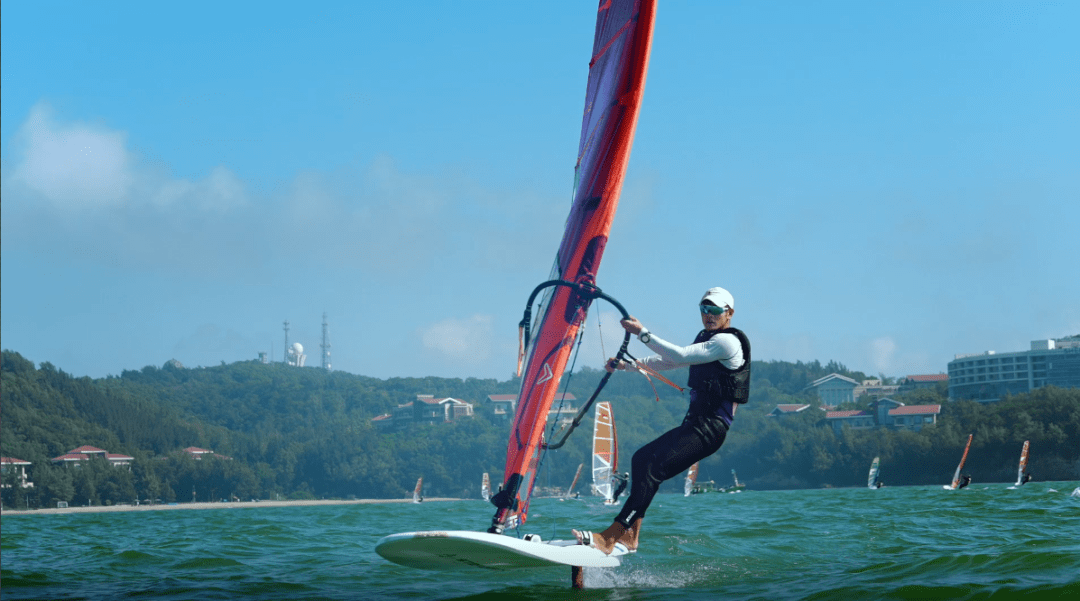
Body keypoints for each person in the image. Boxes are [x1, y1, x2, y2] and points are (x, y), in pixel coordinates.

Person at [573, 287, 750, 554]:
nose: (709, 315)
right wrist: (627, 366)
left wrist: (642, 333)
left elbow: (679, 356)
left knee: (651, 467)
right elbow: (670, 362)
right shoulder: (707, 340)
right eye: (704, 309)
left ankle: (610, 537)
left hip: (711, 429)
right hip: (695, 425)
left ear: (729, 313)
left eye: (715, 310)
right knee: (641, 459)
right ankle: (630, 537)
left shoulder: (728, 342)